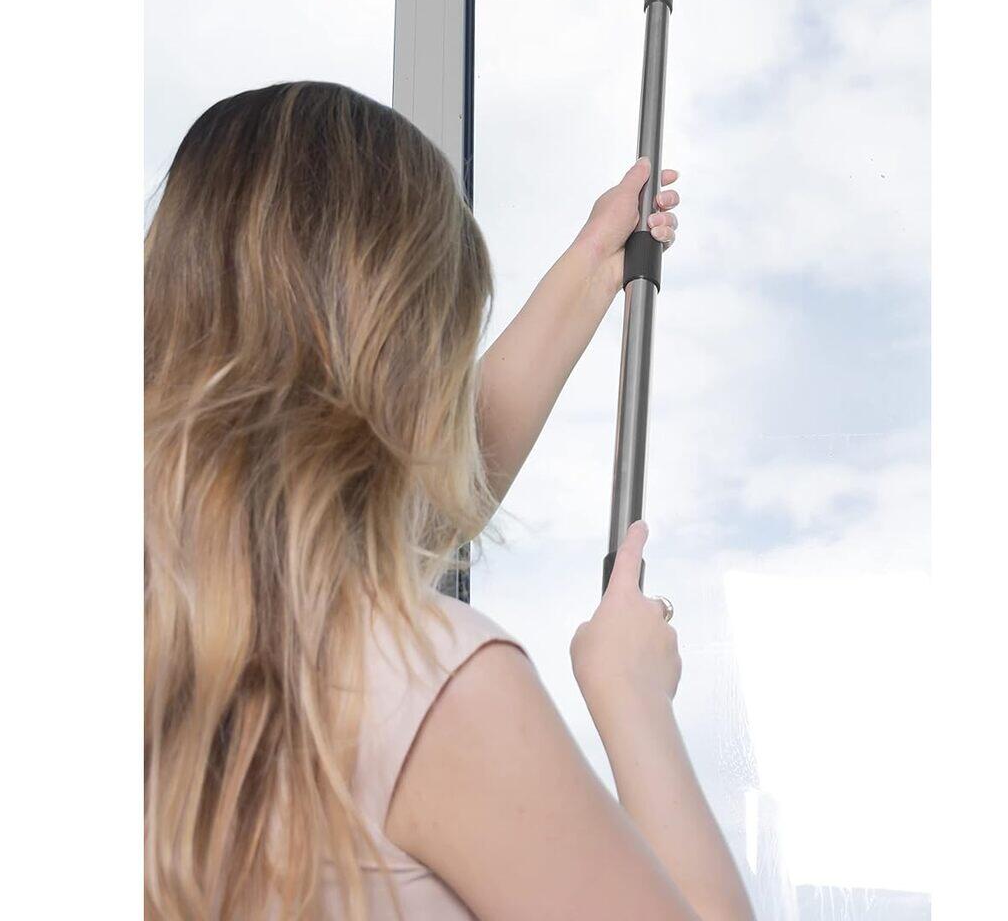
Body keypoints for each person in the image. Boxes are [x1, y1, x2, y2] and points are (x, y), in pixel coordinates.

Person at [145, 81, 753, 920]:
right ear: (410, 361)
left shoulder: (179, 644)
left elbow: (415, 504)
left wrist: (592, 270)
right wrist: (633, 697)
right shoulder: (430, 686)